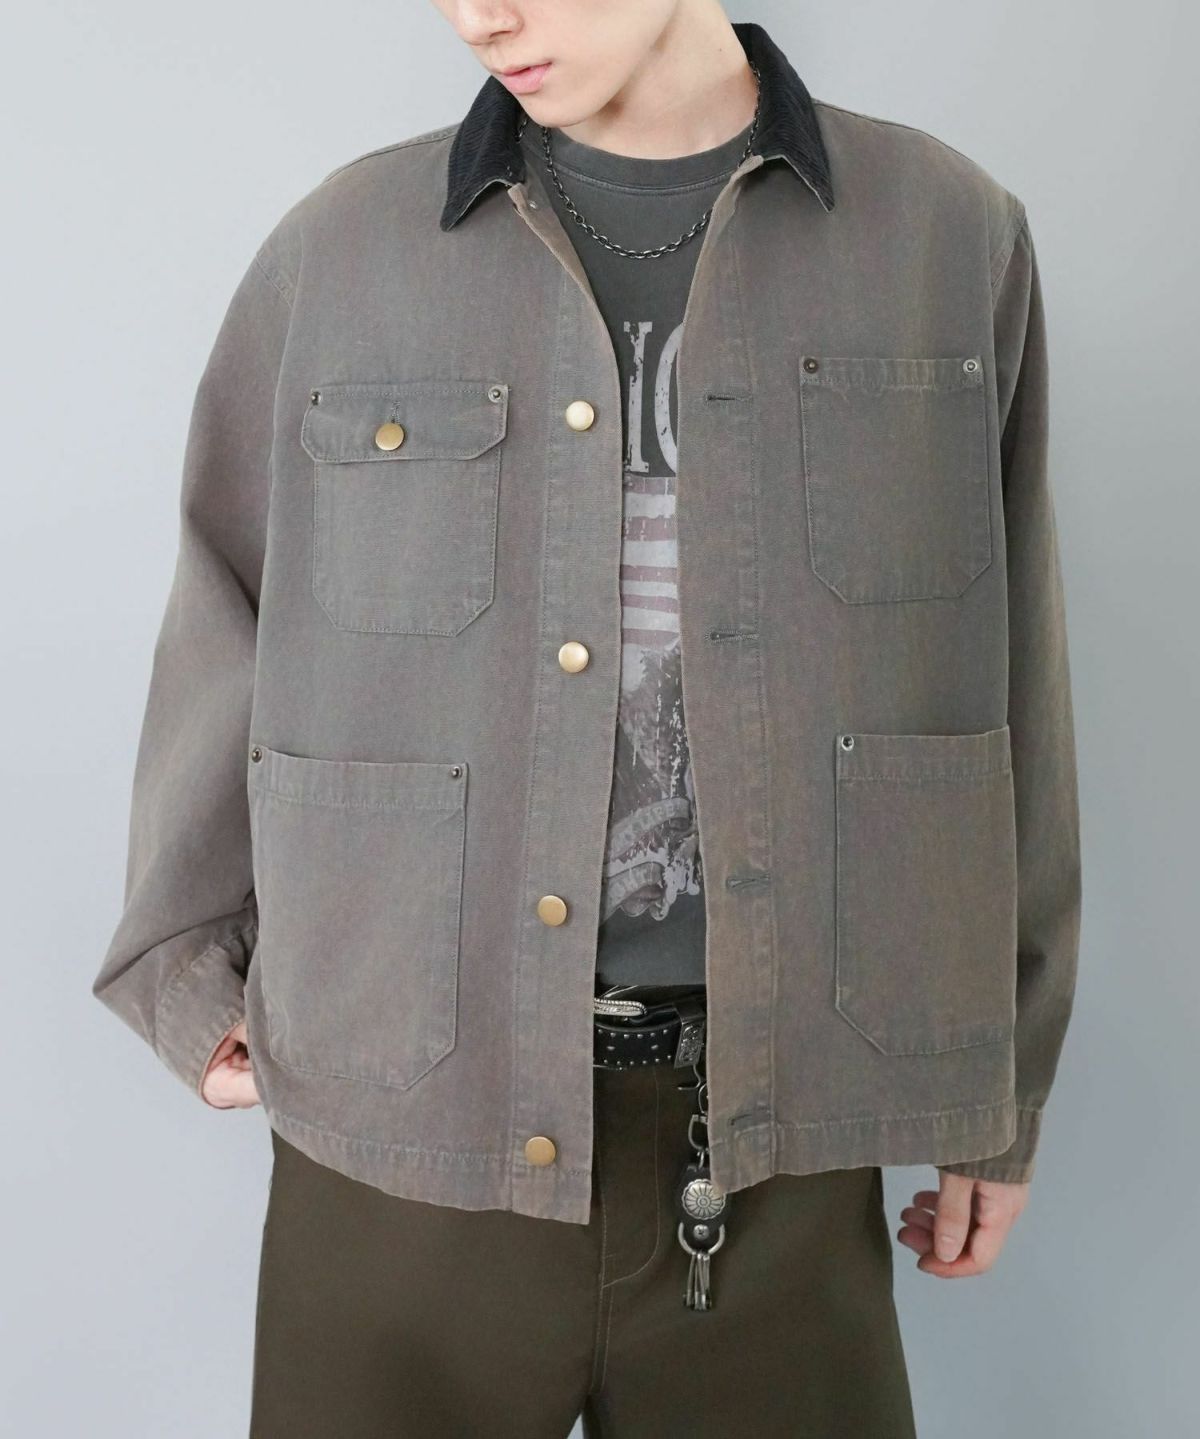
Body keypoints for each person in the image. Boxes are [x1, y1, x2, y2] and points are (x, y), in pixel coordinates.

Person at [92, 2, 1082, 1435]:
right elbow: (223, 608)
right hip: (409, 1154)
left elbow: (1004, 680)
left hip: (784, 1151)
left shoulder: (944, 237)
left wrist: (1003, 1081)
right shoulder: (343, 250)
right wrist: (189, 971)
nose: (478, 13)